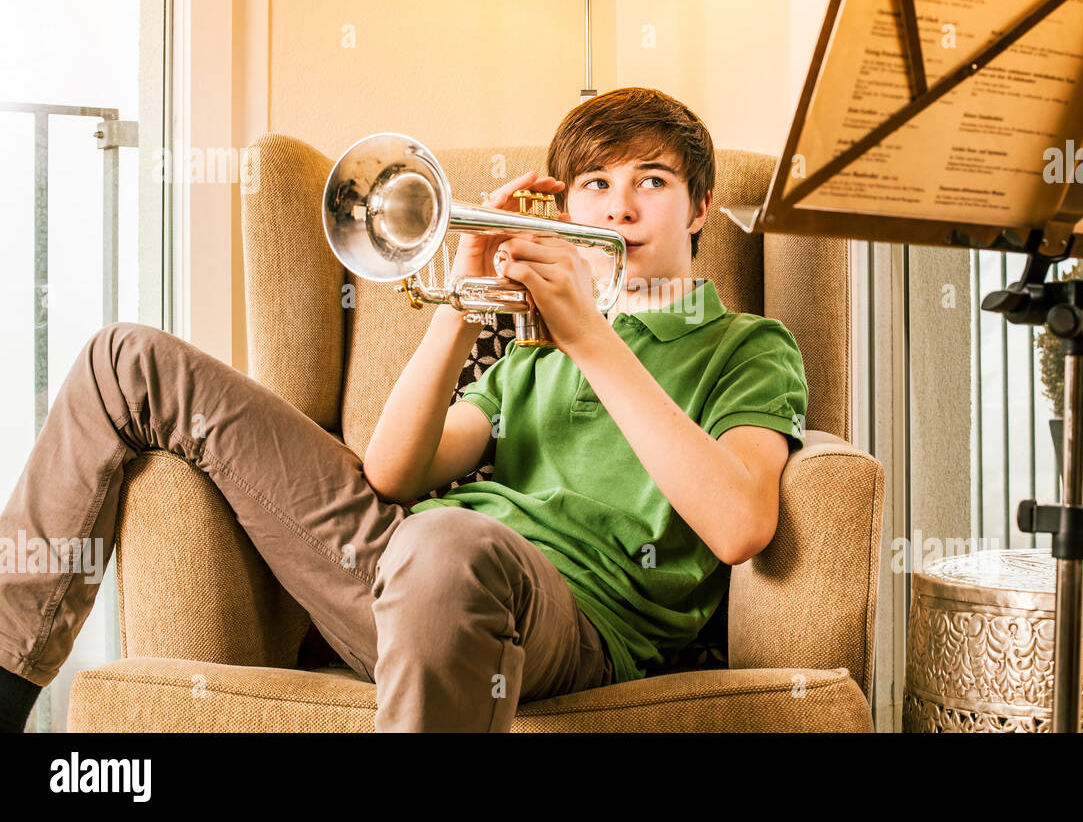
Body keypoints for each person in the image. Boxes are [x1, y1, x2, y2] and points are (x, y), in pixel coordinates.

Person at [0, 86, 808, 732]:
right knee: (125, 359)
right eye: (596, 184)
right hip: (402, 570)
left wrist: (596, 338)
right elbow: (393, 472)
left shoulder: (745, 345)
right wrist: (460, 299)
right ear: (567, 209)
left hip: (564, 619)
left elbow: (741, 524)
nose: (619, 208)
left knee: (449, 539)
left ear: (699, 209)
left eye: (652, 183)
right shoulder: (531, 349)